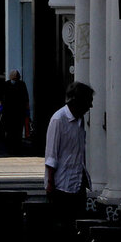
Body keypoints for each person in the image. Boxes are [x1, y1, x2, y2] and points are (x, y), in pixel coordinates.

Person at [45, 81, 95, 228]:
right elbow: (51, 155)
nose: (90, 107)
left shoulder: (80, 120)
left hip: (77, 182)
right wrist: (50, 184)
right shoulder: (58, 120)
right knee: (62, 224)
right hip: (61, 184)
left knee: (77, 223)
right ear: (78, 102)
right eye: (88, 102)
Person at [0, 69, 29, 147]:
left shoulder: (21, 84)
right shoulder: (6, 84)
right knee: (9, 129)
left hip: (19, 111)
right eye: (14, 79)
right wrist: (0, 106)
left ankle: (17, 145)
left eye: (16, 79)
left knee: (18, 130)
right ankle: (10, 145)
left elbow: (26, 98)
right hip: (8, 110)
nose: (15, 80)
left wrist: (27, 109)